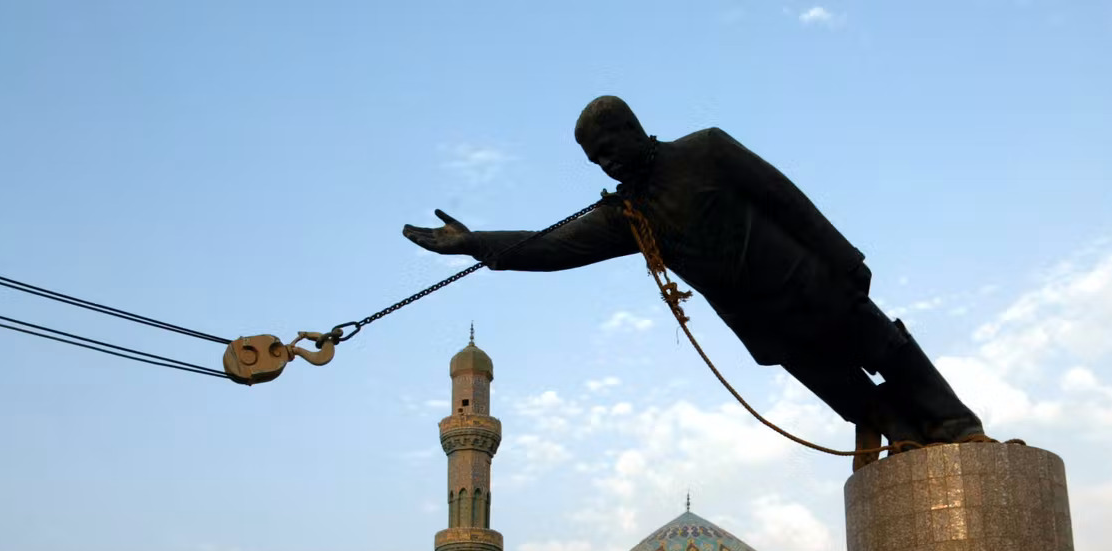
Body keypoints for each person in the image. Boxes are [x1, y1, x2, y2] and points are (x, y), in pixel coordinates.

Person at [401, 96, 988, 449]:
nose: (605, 161)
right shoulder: (627, 215)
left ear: (632, 128)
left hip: (811, 283)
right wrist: (476, 243)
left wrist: (846, 257)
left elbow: (786, 199)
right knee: (843, 386)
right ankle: (902, 437)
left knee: (886, 348)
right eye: (595, 159)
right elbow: (554, 246)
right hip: (766, 323)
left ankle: (956, 426)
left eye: (609, 146)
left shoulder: (705, 150)